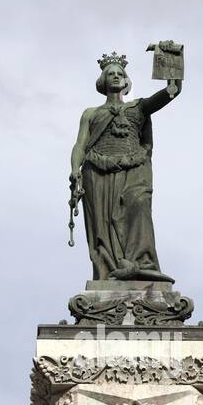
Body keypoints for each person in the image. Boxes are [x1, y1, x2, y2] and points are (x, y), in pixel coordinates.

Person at [70, 50, 182, 282]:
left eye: (119, 73)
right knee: (103, 226)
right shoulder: (91, 113)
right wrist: (74, 169)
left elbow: (171, 92)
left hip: (133, 169)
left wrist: (172, 67)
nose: (115, 76)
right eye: (110, 73)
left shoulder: (138, 108)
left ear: (126, 80)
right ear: (102, 81)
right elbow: (80, 144)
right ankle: (110, 269)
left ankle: (140, 263)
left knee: (139, 204)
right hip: (98, 171)